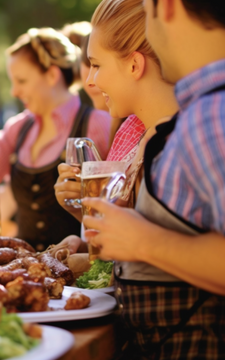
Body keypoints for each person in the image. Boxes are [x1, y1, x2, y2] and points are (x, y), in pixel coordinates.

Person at [82, 0, 225, 358]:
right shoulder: (198, 113)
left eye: (147, 9)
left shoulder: (211, 115)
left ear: (168, 6)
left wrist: (145, 242)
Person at [0, 27, 112, 251]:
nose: (14, 91)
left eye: (21, 81)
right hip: (25, 271)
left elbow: (115, 203)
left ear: (52, 75)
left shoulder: (97, 124)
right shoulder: (17, 128)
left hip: (79, 269)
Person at [54, 0, 177, 235]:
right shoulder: (132, 132)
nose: (91, 81)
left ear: (134, 65)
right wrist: (82, 221)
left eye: (96, 65)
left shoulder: (178, 140)